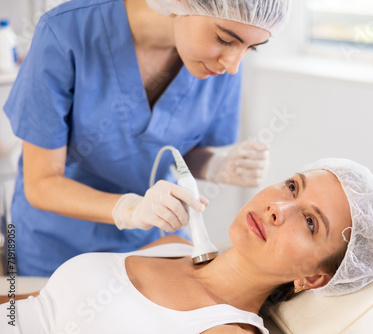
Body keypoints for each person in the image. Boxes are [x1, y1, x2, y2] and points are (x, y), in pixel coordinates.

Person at [3, 0, 290, 277]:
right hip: (56, 247)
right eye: (225, 40)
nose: (233, 65)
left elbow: (167, 148)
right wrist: (129, 209)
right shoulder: (66, 32)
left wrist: (218, 166)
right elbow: (41, 184)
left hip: (153, 242)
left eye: (251, 48)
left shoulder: (219, 61)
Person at [0, 158, 373, 333]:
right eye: (292, 186)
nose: (278, 207)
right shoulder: (171, 244)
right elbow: (34, 304)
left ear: (312, 278)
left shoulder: (224, 331)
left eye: (310, 222)